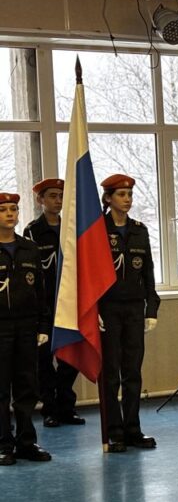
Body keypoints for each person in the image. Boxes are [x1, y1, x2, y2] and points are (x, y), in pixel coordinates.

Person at [98, 174, 160, 452]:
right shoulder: (97, 230)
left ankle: (133, 428)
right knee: (111, 373)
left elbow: (148, 272)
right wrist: (93, 309)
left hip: (135, 307)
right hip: (108, 308)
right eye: (121, 195)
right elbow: (89, 274)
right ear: (108, 198)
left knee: (132, 372)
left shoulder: (139, 230)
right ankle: (114, 430)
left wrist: (151, 308)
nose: (127, 199)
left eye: (130, 194)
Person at [24, 178, 85, 429]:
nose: (58, 201)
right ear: (40, 200)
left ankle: (66, 406)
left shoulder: (72, 229)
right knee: (44, 360)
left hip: (69, 303)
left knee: (71, 357)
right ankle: (50, 409)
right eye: (52, 196)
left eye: (61, 196)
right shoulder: (32, 232)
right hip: (44, 305)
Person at [0, 192, 52, 465]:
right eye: (3, 210)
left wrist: (43, 324)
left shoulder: (29, 248)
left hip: (27, 326)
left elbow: (40, 292)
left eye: (14, 209)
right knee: (1, 389)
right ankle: (3, 444)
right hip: (1, 327)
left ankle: (26, 442)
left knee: (27, 387)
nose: (10, 214)